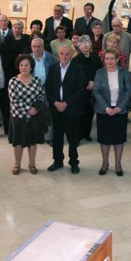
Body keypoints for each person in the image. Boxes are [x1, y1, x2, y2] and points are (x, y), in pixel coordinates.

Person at [46, 45, 86, 173]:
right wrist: (55, 103)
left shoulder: (78, 69)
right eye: (62, 54)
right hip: (56, 109)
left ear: (72, 55)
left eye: (67, 54)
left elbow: (79, 90)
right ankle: (57, 161)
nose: (64, 56)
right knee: (57, 137)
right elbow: (48, 88)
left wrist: (66, 103)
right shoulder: (52, 68)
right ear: (58, 55)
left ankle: (74, 162)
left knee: (72, 138)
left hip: (72, 109)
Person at [92, 48, 131, 176]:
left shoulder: (124, 73)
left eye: (112, 58)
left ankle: (118, 163)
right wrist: (107, 108)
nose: (109, 61)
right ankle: (105, 163)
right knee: (104, 139)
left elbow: (128, 91)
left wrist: (120, 107)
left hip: (120, 111)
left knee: (119, 139)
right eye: (107, 58)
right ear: (104, 60)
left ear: (117, 59)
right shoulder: (99, 73)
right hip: (104, 111)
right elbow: (96, 91)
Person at [7, 54, 47, 175]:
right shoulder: (13, 81)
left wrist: (35, 108)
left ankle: (32, 164)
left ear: (31, 67)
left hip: (34, 117)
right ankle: (17, 164)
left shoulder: (36, 80)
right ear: (18, 67)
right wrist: (28, 109)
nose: (24, 67)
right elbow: (14, 100)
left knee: (32, 142)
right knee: (18, 142)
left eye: (26, 65)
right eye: (21, 65)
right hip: (18, 117)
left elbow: (41, 96)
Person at [72, 36, 102, 142]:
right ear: (78, 46)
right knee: (80, 114)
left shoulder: (96, 58)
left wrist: (94, 83)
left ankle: (86, 134)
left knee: (90, 113)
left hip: (94, 89)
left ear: (91, 44)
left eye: (87, 43)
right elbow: (75, 75)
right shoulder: (75, 60)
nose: (85, 45)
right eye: (82, 43)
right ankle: (78, 135)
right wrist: (87, 82)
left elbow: (100, 72)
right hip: (81, 90)